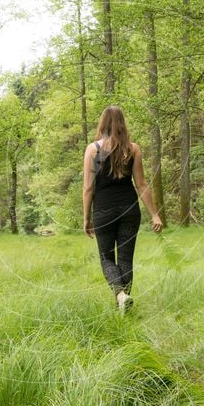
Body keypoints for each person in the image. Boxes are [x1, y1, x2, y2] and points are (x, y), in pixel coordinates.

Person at [82, 105, 163, 313]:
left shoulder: (93, 149)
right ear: (121, 123)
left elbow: (88, 188)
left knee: (106, 258)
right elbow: (141, 184)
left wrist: (86, 219)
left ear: (103, 123)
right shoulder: (132, 149)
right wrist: (154, 214)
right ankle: (124, 301)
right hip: (129, 210)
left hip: (103, 212)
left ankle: (120, 295)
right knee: (126, 259)